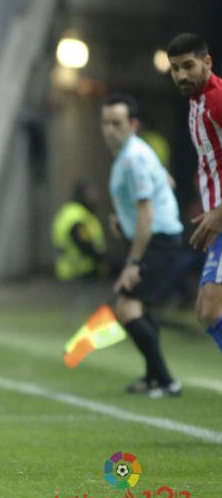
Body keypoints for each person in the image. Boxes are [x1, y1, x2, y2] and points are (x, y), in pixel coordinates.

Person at [101, 93, 183, 398]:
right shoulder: (133, 152)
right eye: (105, 123)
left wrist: (133, 262)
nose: (110, 129)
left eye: (117, 123)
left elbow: (147, 210)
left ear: (133, 124)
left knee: (127, 306)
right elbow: (169, 182)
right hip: (157, 237)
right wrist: (124, 219)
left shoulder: (133, 158)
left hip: (159, 240)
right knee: (138, 307)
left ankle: (166, 380)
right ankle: (153, 378)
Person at [167, 33, 222, 351]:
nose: (182, 75)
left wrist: (219, 210)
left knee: (211, 310)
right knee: (205, 311)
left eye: (188, 66)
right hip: (216, 220)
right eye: (175, 68)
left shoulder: (216, 99)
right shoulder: (195, 101)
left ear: (207, 62)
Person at [52, 181, 107, 282]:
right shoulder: (77, 216)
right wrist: (108, 261)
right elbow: (85, 245)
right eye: (91, 195)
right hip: (78, 273)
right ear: (83, 196)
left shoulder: (71, 212)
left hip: (72, 274)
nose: (95, 198)